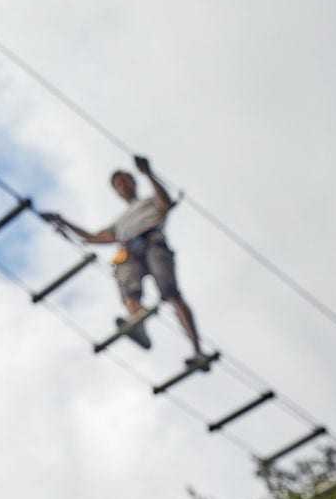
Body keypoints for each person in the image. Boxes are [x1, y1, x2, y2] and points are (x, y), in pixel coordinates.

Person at [42, 155, 210, 367]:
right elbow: (93, 237)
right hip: (129, 251)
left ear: (133, 182)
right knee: (128, 289)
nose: (122, 186)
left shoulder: (150, 201)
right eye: (118, 185)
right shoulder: (120, 222)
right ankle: (138, 323)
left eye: (124, 181)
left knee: (171, 294)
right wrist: (63, 221)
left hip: (152, 243)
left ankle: (197, 350)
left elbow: (165, 203)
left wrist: (148, 173)